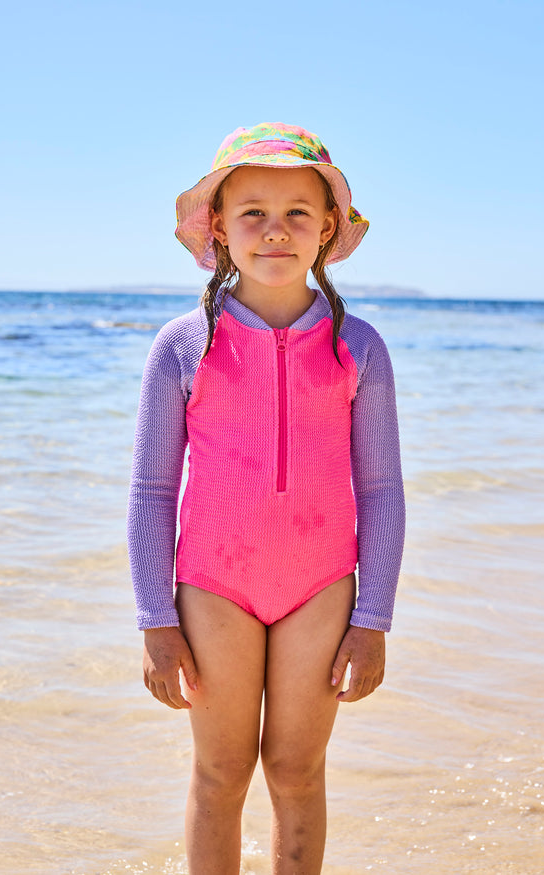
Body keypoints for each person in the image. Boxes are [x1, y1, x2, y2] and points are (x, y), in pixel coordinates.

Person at [127, 122, 405, 874]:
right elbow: (153, 489)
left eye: (297, 212)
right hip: (214, 587)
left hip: (320, 588)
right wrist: (155, 617)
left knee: (295, 770)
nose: (275, 230)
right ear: (218, 226)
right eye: (252, 211)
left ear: (327, 229)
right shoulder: (183, 344)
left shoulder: (359, 346)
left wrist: (372, 619)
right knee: (221, 773)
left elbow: (382, 491)